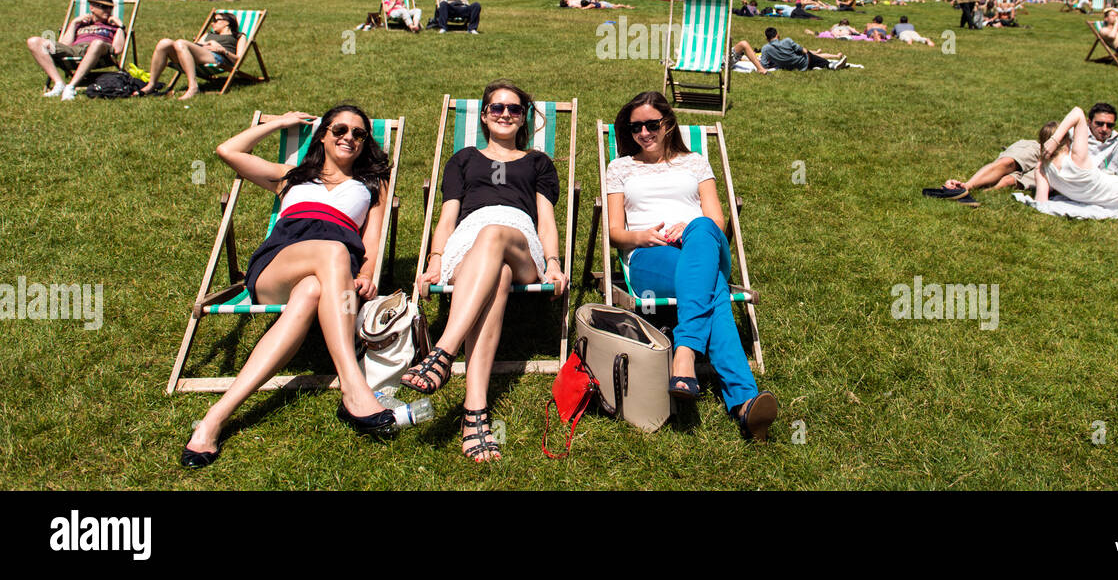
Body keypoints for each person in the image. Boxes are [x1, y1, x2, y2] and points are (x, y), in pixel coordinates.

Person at [181, 106, 400, 467]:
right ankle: (353, 386)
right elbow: (228, 151)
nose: (349, 137)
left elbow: (372, 243)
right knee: (333, 250)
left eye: (359, 134)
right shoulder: (292, 177)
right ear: (324, 135)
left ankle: (214, 419)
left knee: (314, 288)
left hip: (333, 276)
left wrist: (367, 275)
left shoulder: (372, 184)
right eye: (340, 129)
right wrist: (280, 124)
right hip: (277, 268)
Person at [401, 81, 565, 461]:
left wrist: (554, 263)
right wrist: (436, 259)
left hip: (520, 242)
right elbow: (447, 217)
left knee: (495, 237)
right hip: (469, 242)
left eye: (514, 109)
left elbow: (545, 220)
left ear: (523, 118)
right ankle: (475, 413)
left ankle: (444, 350)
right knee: (499, 275)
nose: (505, 114)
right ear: (485, 115)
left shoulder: (538, 162)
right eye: (497, 108)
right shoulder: (463, 159)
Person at [604, 91, 778, 440]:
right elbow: (614, 232)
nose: (644, 133)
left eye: (652, 124)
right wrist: (641, 237)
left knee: (700, 225)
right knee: (712, 288)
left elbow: (716, 221)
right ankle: (744, 404)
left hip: (702, 245)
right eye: (635, 127)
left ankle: (684, 353)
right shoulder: (620, 167)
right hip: (651, 255)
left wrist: (689, 226)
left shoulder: (696, 162)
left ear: (668, 124)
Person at [940, 103, 1118, 195]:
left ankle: (981, 196)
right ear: (1090, 122)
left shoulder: (1116, 142)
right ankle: (967, 185)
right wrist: (1054, 141)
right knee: (1008, 163)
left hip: (1060, 169)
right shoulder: (1078, 129)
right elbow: (1053, 132)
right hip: (1042, 147)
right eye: (1100, 123)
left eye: (1110, 125)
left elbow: (1110, 172)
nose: (1105, 129)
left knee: (1010, 181)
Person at [27, 0, 125, 101]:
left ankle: (71, 86)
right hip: (75, 49)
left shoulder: (114, 26)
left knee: (97, 43)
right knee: (34, 41)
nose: (107, 10)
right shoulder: (81, 23)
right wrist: (74, 23)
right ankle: (59, 84)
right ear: (92, 8)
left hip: (100, 49)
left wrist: (120, 26)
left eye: (109, 8)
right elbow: (64, 45)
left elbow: (117, 49)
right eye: (103, 7)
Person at [136, 11, 246, 99]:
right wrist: (203, 44)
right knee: (164, 43)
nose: (212, 23)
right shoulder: (209, 34)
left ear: (227, 22)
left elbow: (238, 60)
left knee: (180, 42)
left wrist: (222, 50)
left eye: (215, 20)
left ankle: (193, 87)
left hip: (218, 58)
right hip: (196, 56)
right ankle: (151, 85)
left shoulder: (239, 36)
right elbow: (196, 46)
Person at [759, 27, 846, 70]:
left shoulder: (765, 49)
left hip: (789, 68)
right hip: (803, 63)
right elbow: (804, 51)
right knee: (810, 55)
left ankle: (827, 63)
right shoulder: (787, 41)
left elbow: (764, 65)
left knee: (812, 58)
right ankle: (830, 64)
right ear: (778, 35)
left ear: (767, 39)